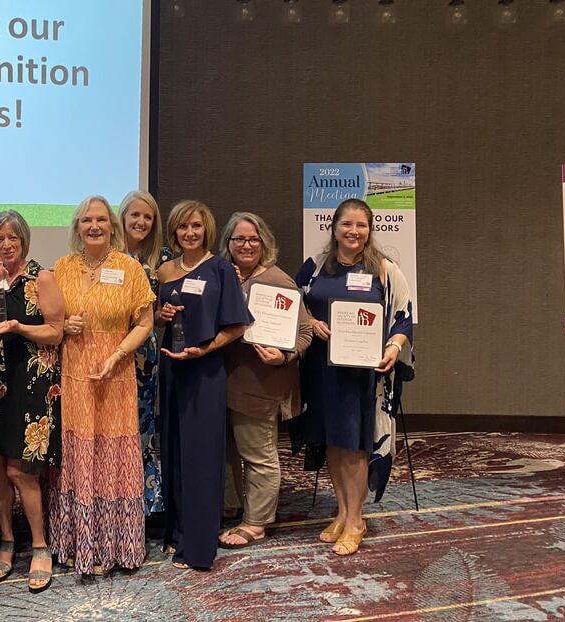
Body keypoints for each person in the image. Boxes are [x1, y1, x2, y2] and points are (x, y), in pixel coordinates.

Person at [295, 198, 413, 556]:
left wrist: (393, 348)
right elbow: (295, 305)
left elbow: (403, 317)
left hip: (361, 376)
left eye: (361, 225)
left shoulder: (385, 269)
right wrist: (311, 324)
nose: (354, 231)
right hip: (321, 371)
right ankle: (342, 511)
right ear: (334, 227)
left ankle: (356, 519)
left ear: (370, 230)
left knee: (355, 445)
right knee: (333, 442)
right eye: (347, 224)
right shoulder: (314, 267)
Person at [49, 195, 155, 575]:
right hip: (74, 375)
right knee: (78, 454)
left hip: (116, 376)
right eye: (86, 220)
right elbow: (48, 323)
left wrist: (117, 354)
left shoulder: (129, 268)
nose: (94, 226)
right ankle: (78, 545)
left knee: (113, 455)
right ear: (77, 227)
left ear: (112, 225)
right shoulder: (61, 268)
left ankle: (114, 547)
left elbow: (145, 322)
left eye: (101, 220)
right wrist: (64, 328)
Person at [156, 200, 249, 570]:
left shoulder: (221, 268)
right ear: (174, 232)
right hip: (172, 370)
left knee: (202, 457)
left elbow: (237, 326)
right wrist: (160, 315)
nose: (189, 233)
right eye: (182, 227)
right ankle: (177, 532)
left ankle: (197, 545)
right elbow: (156, 318)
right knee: (174, 452)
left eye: (195, 226)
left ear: (205, 228)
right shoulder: (164, 271)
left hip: (205, 372)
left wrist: (205, 350)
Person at [0, 210, 65, 592]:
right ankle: (8, 542)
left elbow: (56, 332)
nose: (6, 244)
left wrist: (18, 327)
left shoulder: (41, 277)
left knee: (21, 470)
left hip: (29, 381)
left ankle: (40, 545)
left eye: (13, 237)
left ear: (24, 240)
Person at [217, 212, 312, 549]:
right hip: (222, 381)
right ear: (228, 243)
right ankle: (232, 504)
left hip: (260, 384)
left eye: (253, 239)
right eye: (239, 239)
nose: (246, 245)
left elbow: (304, 332)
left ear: (264, 243)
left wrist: (285, 356)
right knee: (228, 450)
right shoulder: (220, 275)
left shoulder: (279, 282)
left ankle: (256, 521)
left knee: (258, 454)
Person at [119, 190, 166, 516]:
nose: (141, 222)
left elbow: (158, 312)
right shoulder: (105, 256)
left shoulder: (160, 259)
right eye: (135, 215)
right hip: (109, 351)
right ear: (122, 218)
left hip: (144, 358)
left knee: (142, 426)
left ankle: (146, 503)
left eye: (147, 217)